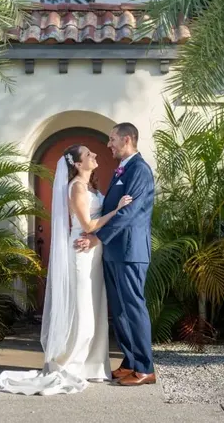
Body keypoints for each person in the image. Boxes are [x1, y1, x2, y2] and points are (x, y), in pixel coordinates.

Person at [0, 144, 132, 395]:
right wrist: (116, 211)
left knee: (96, 310)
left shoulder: (90, 186)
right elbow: (88, 225)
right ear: (77, 164)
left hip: (94, 254)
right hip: (81, 253)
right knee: (83, 314)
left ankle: (92, 366)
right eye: (88, 154)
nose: (95, 155)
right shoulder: (77, 187)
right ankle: (70, 365)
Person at [76, 123, 157, 386]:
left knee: (133, 306)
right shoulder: (122, 169)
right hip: (114, 251)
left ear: (127, 139)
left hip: (130, 251)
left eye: (112, 139)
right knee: (120, 310)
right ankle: (130, 361)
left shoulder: (139, 170)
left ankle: (145, 368)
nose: (109, 144)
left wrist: (97, 237)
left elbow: (129, 213)